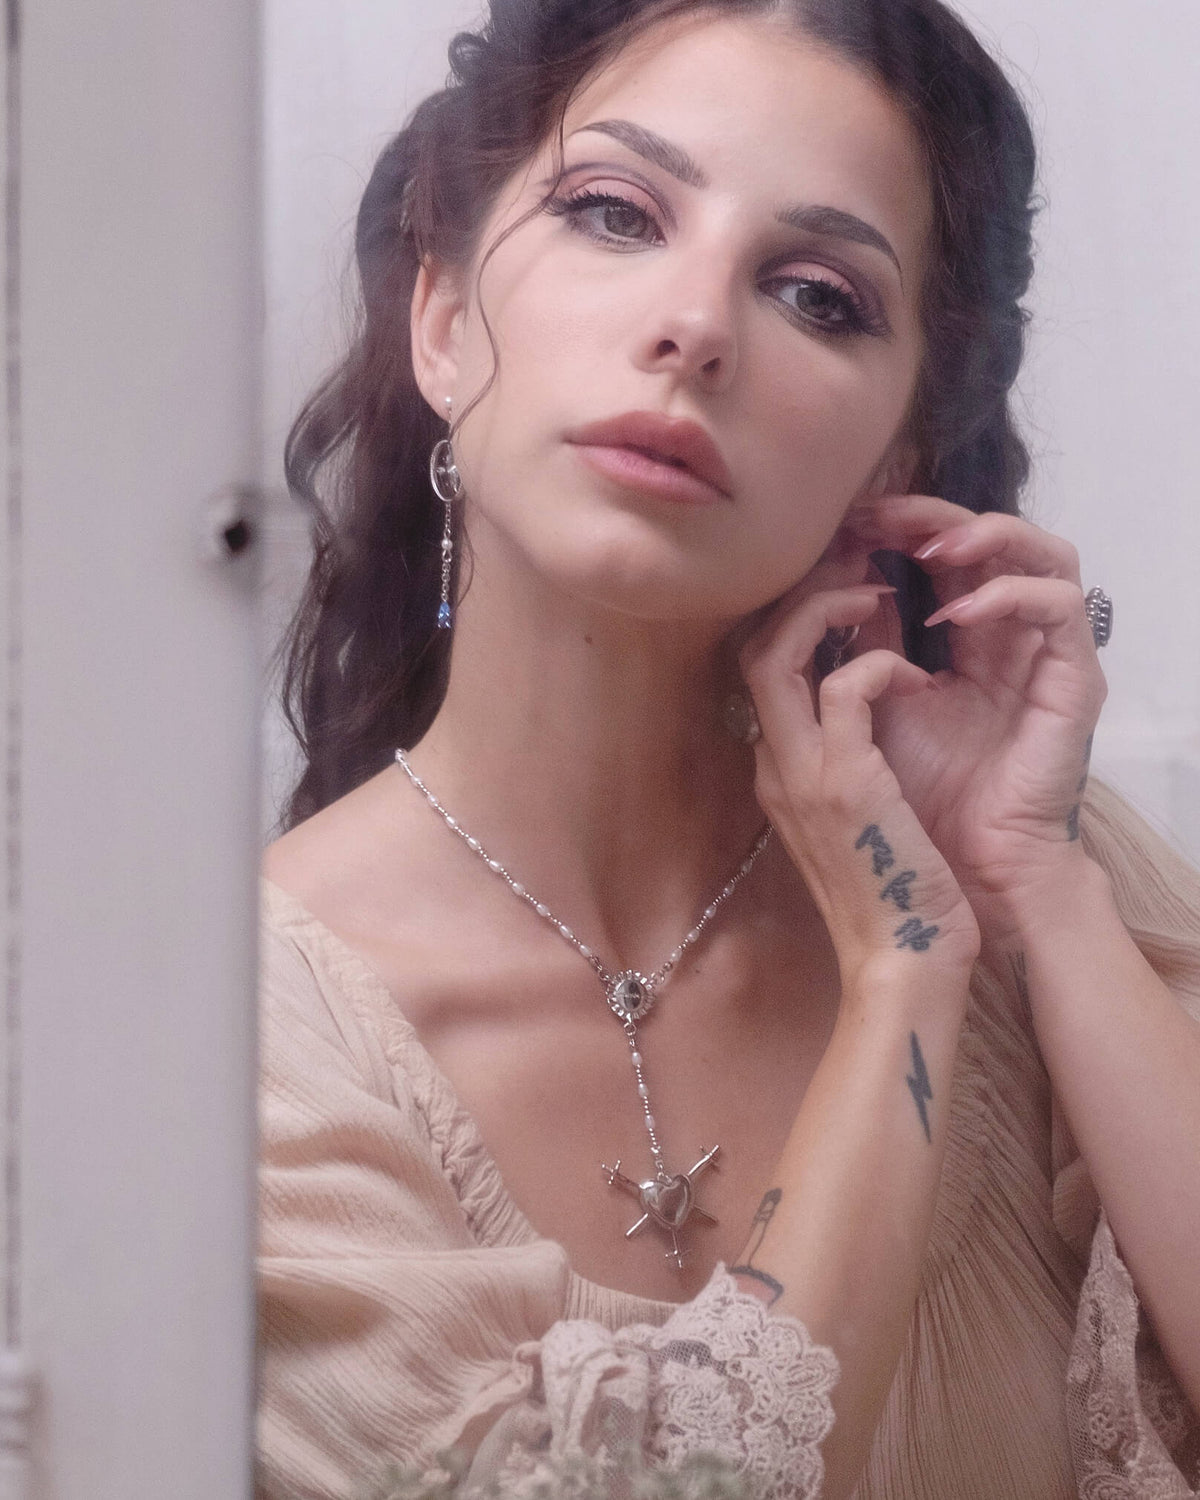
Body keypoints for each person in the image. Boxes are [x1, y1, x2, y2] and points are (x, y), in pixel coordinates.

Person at [256, 0, 1200, 1495]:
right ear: (441, 319)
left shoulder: (1038, 882)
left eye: (818, 295)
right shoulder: (241, 1036)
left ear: (896, 455)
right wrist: (901, 976)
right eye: (614, 213)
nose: (694, 325)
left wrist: (1033, 885)